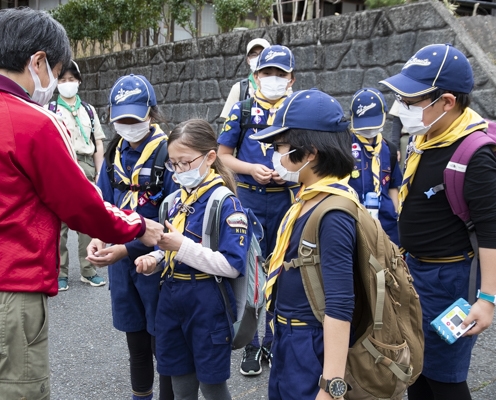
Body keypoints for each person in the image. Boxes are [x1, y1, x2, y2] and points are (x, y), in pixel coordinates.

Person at [0, 8, 163, 400]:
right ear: (37, 61)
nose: (54, 82)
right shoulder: (30, 121)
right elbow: (82, 204)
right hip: (5, 301)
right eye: (55, 69)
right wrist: (140, 227)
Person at [380, 43, 496, 400]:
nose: (400, 108)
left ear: (447, 102)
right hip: (415, 271)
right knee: (415, 367)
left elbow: (491, 232)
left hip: (450, 280)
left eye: (411, 101)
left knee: (445, 376)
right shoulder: (425, 137)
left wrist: (487, 299)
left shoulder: (474, 154)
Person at [250, 88, 357, 400]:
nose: (275, 156)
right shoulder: (307, 199)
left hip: (310, 342)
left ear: (309, 153)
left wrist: (331, 386)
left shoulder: (333, 212)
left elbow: (340, 302)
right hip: (287, 333)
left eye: (280, 147)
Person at [135, 118, 250, 400]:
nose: (179, 171)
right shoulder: (173, 201)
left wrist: (181, 246)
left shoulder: (226, 202)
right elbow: (168, 249)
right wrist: (155, 260)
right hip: (172, 296)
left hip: (207, 300)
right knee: (179, 380)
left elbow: (232, 266)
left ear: (210, 157)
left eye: (185, 163)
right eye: (173, 164)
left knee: (212, 384)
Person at [86, 74, 177, 400]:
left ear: (151, 113)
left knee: (162, 346)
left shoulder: (170, 154)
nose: (128, 126)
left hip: (157, 265)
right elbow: (103, 204)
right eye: (121, 119)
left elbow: (175, 220)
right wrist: (97, 237)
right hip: (123, 270)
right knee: (136, 344)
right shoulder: (113, 155)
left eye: (134, 119)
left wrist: (125, 248)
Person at [218, 44, 297, 375]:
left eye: (281, 74)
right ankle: (251, 343)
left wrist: (290, 171)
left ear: (291, 78)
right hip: (249, 200)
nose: (274, 79)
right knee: (251, 274)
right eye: (267, 73)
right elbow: (221, 155)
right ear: (255, 75)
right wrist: (250, 169)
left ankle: (275, 342)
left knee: (283, 272)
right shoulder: (243, 109)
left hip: (287, 200)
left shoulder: (296, 111)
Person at [46, 60, 107, 291]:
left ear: (79, 81)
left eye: (71, 80)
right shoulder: (50, 110)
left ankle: (88, 270)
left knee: (86, 222)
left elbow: (98, 143)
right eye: (62, 80)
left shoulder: (89, 111)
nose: (67, 84)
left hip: (86, 165)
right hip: (60, 166)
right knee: (58, 224)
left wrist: (100, 172)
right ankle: (59, 272)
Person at [348, 87, 402, 245]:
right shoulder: (345, 146)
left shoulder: (390, 149)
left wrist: (396, 213)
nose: (369, 129)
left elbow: (393, 185)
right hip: (355, 218)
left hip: (386, 222)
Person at [219, 38, 270, 119]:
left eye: (262, 54)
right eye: (254, 54)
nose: (258, 58)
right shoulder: (239, 88)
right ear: (248, 60)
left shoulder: (280, 85)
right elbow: (228, 123)